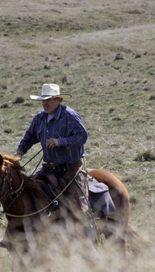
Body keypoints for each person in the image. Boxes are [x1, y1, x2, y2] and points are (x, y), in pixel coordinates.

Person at [15, 83, 94, 238]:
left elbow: (82, 136)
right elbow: (29, 137)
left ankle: (88, 240)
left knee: (80, 207)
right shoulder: (39, 118)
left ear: (58, 99)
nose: (46, 103)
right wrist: (20, 152)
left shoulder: (69, 116)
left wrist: (60, 141)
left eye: (49, 99)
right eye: (43, 100)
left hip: (71, 169)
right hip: (49, 168)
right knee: (27, 194)